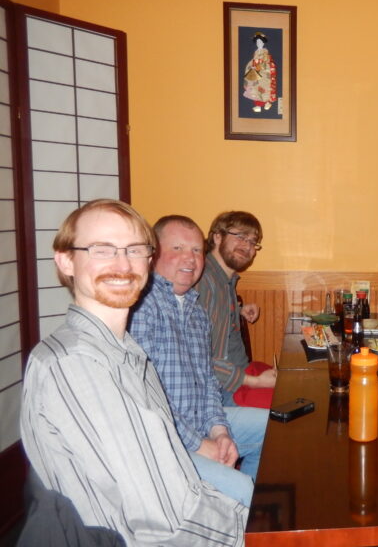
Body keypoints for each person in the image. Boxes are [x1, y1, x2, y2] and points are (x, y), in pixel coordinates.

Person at [20, 199, 246, 546]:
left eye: (134, 250)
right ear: (66, 261)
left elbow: (203, 389)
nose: (122, 264)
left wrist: (218, 431)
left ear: (147, 260)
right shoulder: (75, 363)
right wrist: (253, 529)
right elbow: (159, 522)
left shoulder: (125, 349)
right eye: (102, 249)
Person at [129, 215, 268, 506]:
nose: (189, 259)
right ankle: (232, 516)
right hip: (162, 441)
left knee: (273, 427)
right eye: (177, 248)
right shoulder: (142, 307)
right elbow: (143, 402)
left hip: (201, 424)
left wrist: (220, 431)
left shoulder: (194, 309)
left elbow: (206, 384)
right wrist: (201, 444)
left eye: (195, 251)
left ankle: (237, 519)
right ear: (153, 253)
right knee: (241, 490)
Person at [197, 210, 276, 408]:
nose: (247, 246)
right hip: (222, 390)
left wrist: (236, 309)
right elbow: (202, 357)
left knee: (295, 388)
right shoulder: (204, 281)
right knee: (287, 413)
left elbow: (213, 318)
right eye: (240, 236)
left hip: (241, 372)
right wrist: (256, 382)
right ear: (217, 236)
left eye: (252, 241)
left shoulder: (225, 279)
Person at [243, 31, 276, 113]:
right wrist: (252, 66)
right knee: (255, 88)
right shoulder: (256, 52)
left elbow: (265, 62)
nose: (259, 43)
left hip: (264, 73)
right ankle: (258, 105)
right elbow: (254, 61)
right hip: (256, 72)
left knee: (265, 88)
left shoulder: (265, 52)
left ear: (263, 43)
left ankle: (267, 102)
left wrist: (258, 65)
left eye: (260, 42)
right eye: (257, 42)